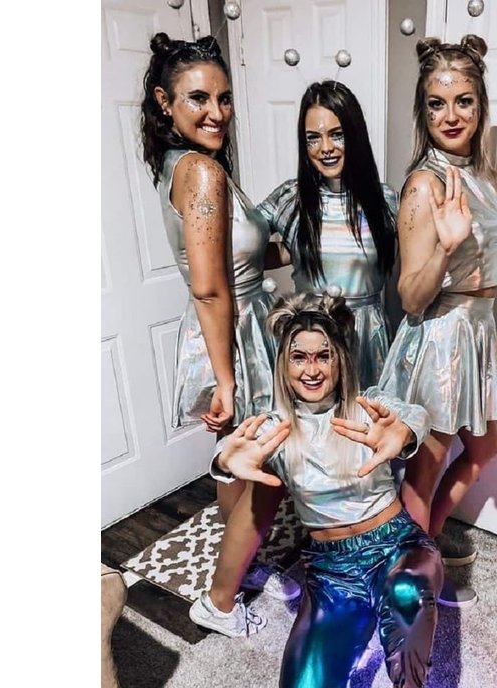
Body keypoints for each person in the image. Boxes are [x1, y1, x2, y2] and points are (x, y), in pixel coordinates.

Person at [189, 293, 443, 688]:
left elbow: (413, 415)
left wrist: (404, 434)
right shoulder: (275, 427)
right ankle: (360, 628)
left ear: (339, 359)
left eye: (323, 356)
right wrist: (223, 462)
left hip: (396, 545)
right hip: (332, 571)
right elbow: (234, 452)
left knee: (407, 592)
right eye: (299, 357)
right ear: (283, 364)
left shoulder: (368, 404)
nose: (311, 369)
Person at [140, 33, 298, 602]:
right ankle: (223, 595)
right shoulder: (201, 172)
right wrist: (226, 381)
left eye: (224, 98)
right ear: (165, 103)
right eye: (199, 98)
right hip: (232, 329)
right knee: (259, 459)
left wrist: (303, 245)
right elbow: (209, 289)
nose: (217, 112)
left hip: (239, 321)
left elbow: (238, 258)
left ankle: (245, 563)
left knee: (240, 459)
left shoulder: (184, 165)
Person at [378, 35, 497, 607]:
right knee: (422, 476)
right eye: (437, 103)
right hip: (441, 339)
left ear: (480, 106)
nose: (451, 115)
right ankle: (404, 593)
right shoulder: (424, 184)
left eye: (463, 101)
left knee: (483, 450)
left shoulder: (479, 173)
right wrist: (446, 247)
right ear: (423, 111)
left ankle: (421, 554)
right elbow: (410, 296)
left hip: (477, 332)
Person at [257, 81, 398, 390]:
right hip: (311, 340)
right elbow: (242, 245)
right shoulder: (290, 198)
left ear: (355, 135)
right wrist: (292, 250)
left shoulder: (385, 200)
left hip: (367, 340)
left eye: (337, 134)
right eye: (313, 138)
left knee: (366, 418)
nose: (325, 148)